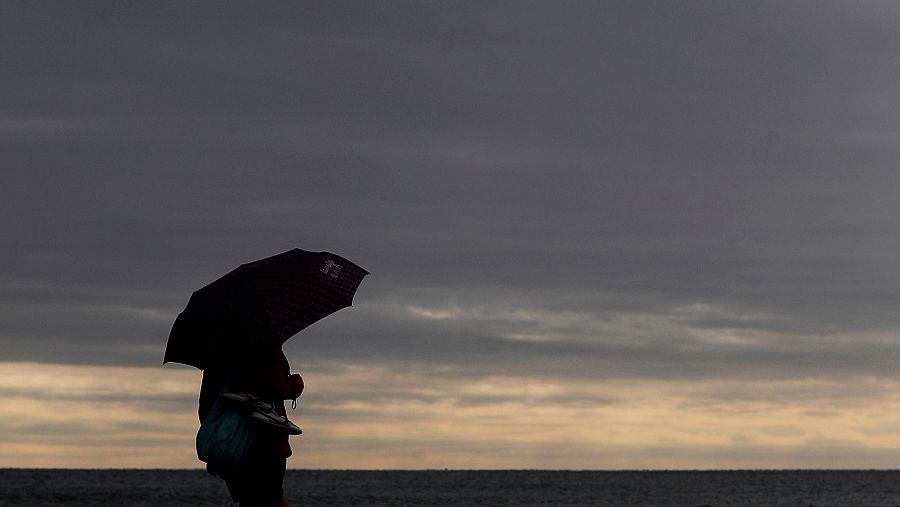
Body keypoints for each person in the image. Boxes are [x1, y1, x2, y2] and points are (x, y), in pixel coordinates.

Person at [199, 344, 305, 507]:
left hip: (231, 445)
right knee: (270, 498)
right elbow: (276, 386)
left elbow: (207, 405)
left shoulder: (217, 351)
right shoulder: (265, 345)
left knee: (253, 498)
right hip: (265, 442)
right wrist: (296, 384)